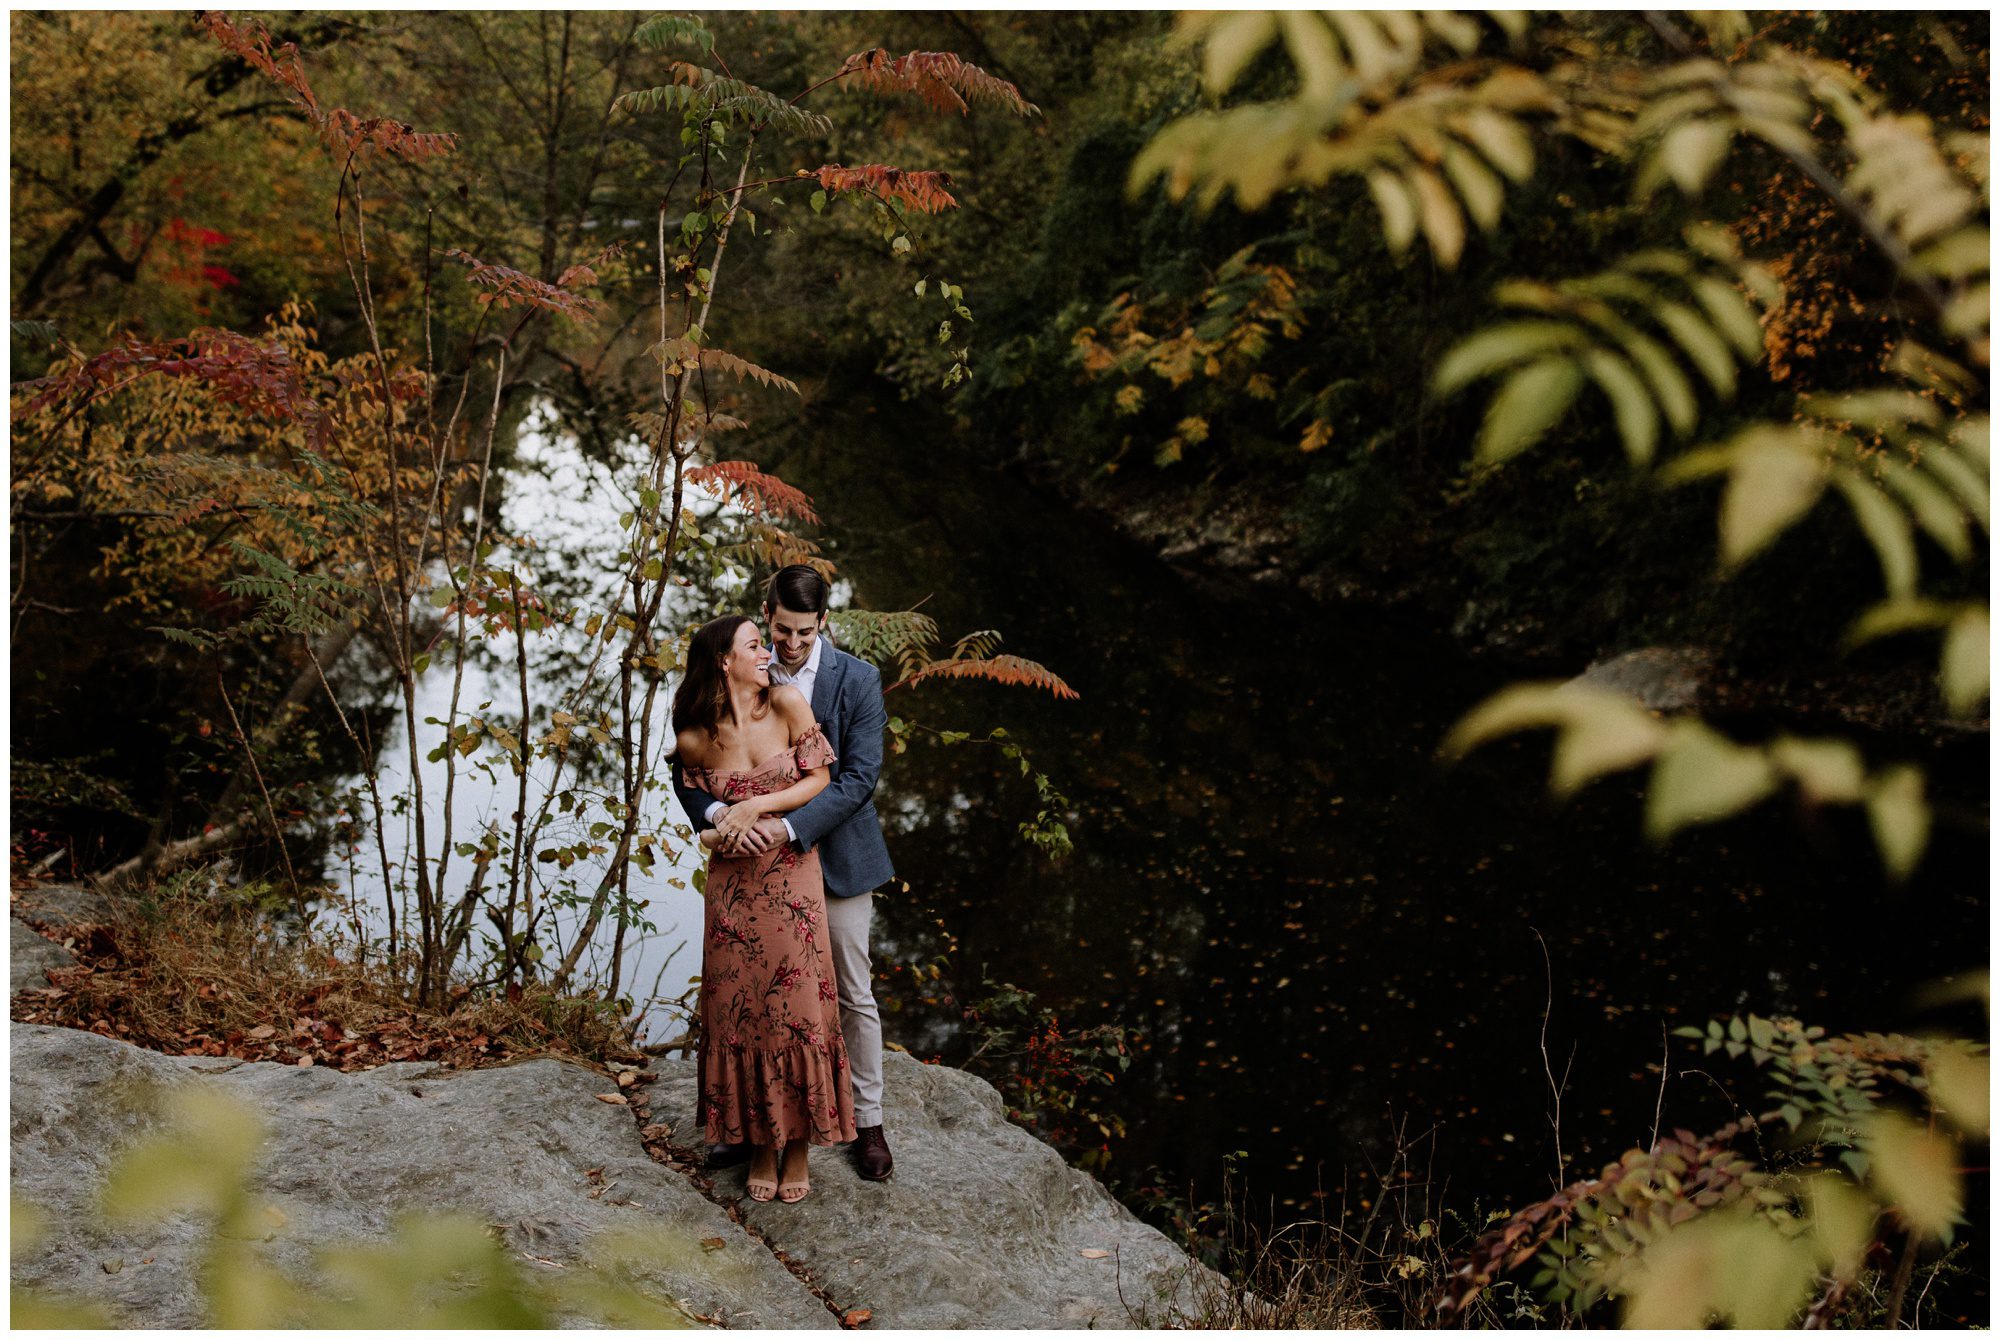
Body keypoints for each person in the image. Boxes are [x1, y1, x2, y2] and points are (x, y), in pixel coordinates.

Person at [673, 565, 897, 1181]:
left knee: (850, 993)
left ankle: (867, 1123)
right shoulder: (745, 666)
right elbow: (691, 768)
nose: (790, 645)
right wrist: (721, 814)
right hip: (752, 869)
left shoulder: (858, 679)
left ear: (822, 621)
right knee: (752, 997)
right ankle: (753, 1125)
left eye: (803, 632)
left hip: (836, 857)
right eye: (779, 631)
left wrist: (785, 827)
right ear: (766, 615)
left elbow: (856, 778)